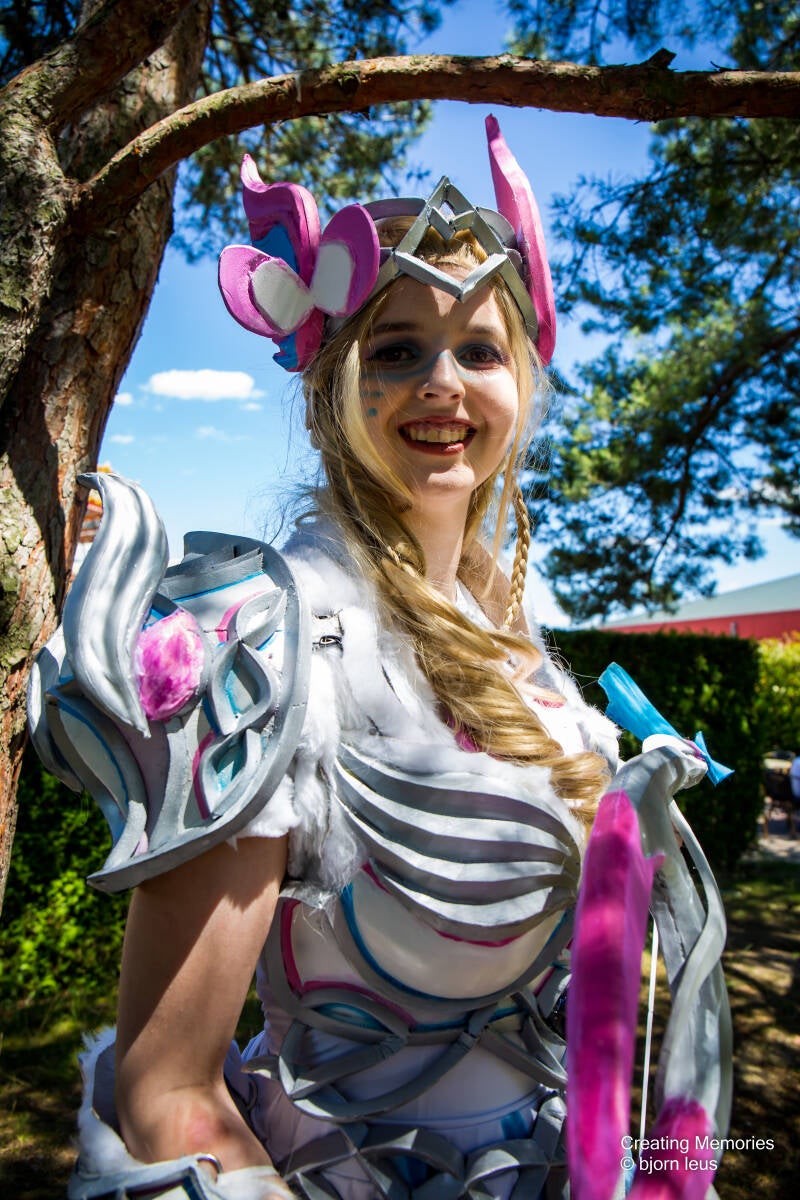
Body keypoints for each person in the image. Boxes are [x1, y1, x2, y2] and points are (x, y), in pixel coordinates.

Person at [28, 117, 730, 1200]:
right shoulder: (265, 637)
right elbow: (169, 1093)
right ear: (330, 391)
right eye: (396, 350)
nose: (442, 381)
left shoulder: (520, 650)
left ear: (522, 387)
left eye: (479, 351)